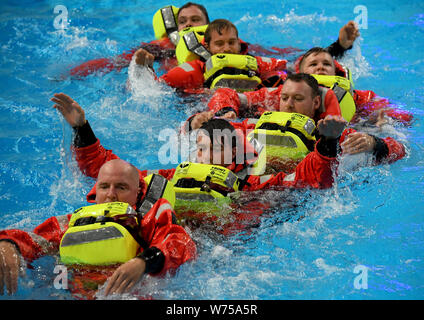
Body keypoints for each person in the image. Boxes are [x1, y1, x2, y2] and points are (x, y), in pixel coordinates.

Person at [0, 158, 197, 298]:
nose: (111, 194)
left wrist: (144, 262)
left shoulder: (150, 219)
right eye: (104, 187)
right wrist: (8, 244)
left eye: (121, 187)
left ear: (137, 193)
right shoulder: (74, 222)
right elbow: (33, 240)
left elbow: (180, 243)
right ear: (96, 191)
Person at [189, 73, 406, 173]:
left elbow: (400, 149)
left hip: (297, 197)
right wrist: (195, 122)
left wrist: (372, 142)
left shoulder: (330, 132)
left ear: (316, 102)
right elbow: (201, 133)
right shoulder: (254, 124)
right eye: (285, 98)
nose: (289, 104)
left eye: (298, 99)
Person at [133, 18, 360, 93]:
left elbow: (299, 65)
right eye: (219, 44)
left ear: (240, 44)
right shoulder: (193, 71)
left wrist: (339, 47)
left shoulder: (258, 64)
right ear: (208, 48)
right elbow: (155, 91)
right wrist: (144, 69)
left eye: (231, 42)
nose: (226, 48)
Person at [69, 2, 210, 78]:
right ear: (176, 28)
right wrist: (73, 73)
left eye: (195, 20)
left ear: (208, 25)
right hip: (171, 94)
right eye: (182, 21)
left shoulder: (220, 44)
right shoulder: (164, 46)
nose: (188, 24)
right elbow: (114, 62)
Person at [296, 47, 413, 125]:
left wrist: (379, 120)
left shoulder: (359, 97)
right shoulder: (286, 94)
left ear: (335, 72)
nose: (320, 67)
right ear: (300, 74)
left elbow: (404, 116)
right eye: (313, 64)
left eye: (326, 64)